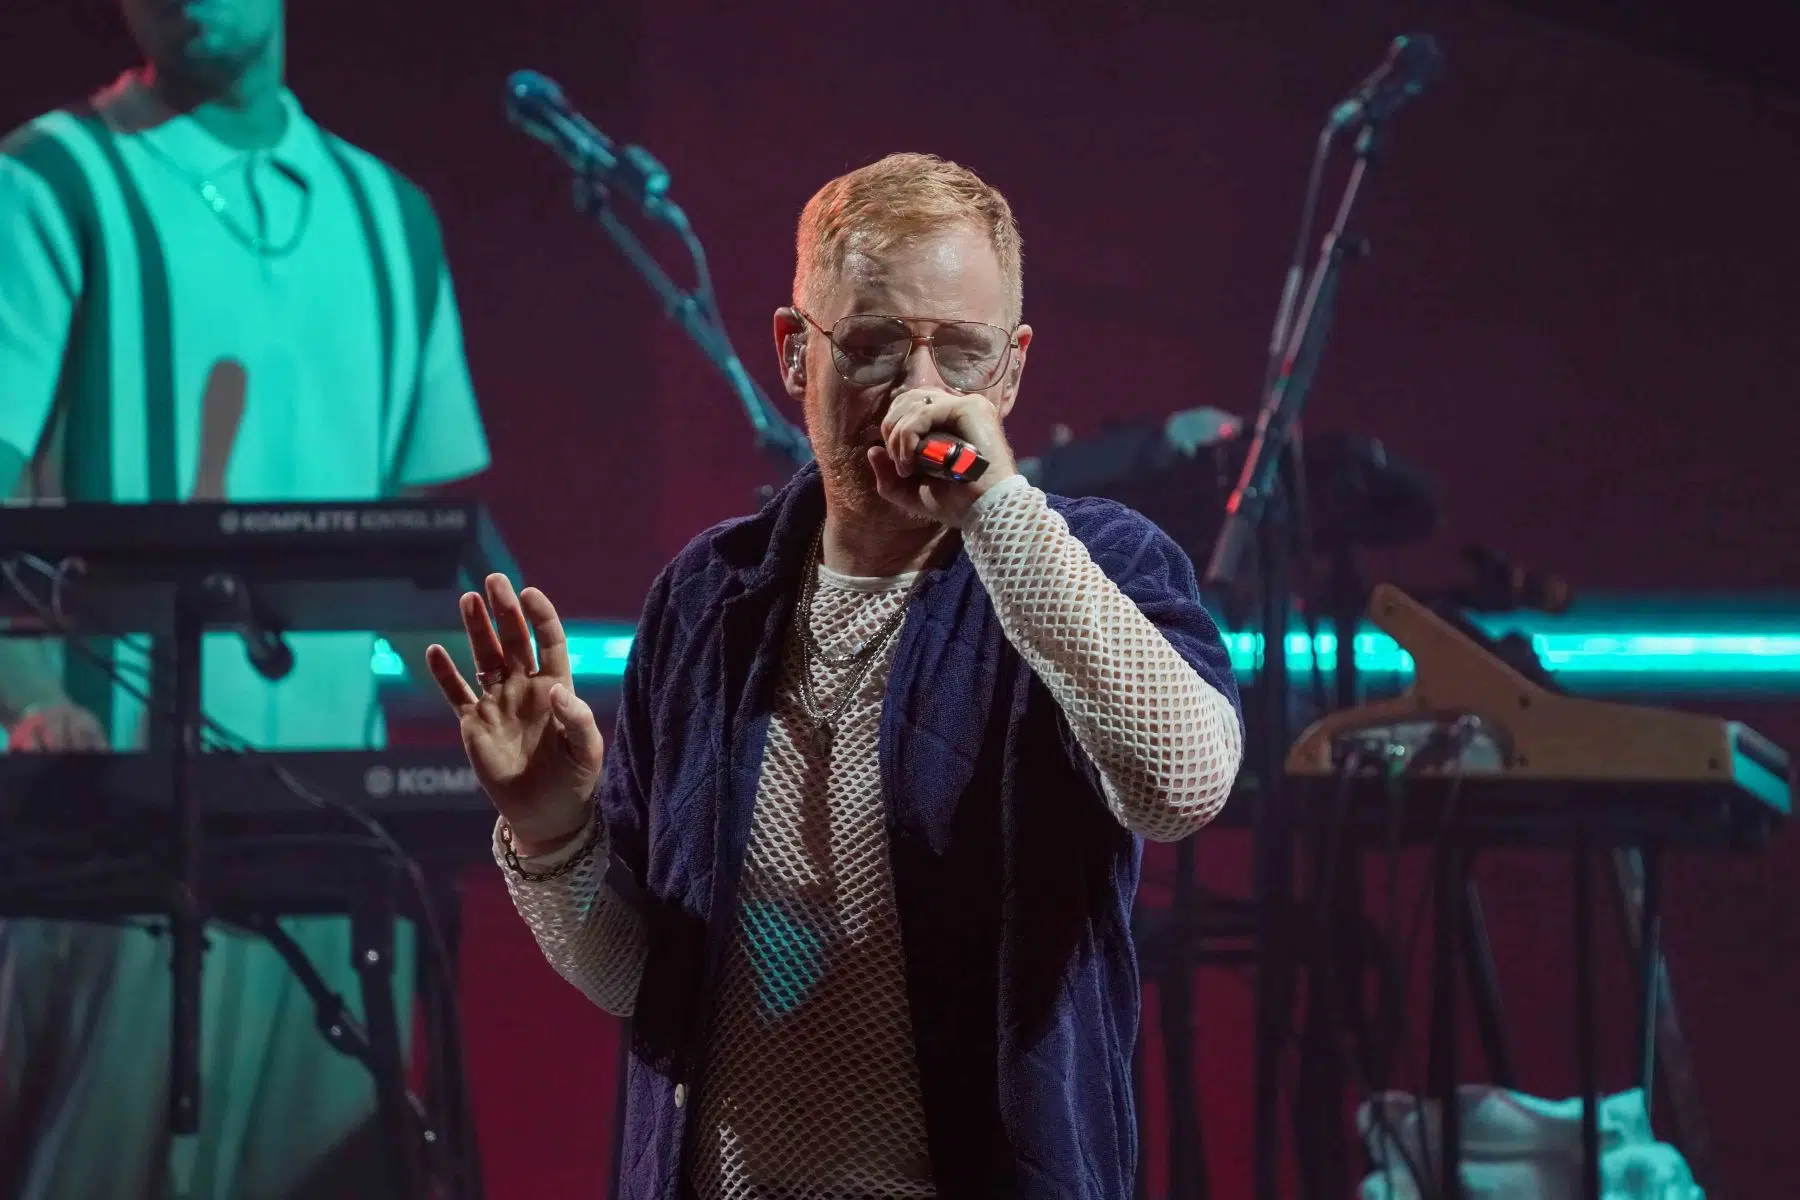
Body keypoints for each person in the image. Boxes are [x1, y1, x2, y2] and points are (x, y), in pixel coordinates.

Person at [431, 152, 1245, 1198]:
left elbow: (1183, 784)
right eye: (871, 346)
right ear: (792, 351)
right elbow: (645, 981)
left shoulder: (1097, 563)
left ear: (1011, 373)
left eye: (962, 353)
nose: (917, 391)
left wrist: (996, 510)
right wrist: (553, 834)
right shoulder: (708, 598)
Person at [0, 0, 489, 1195]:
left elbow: (430, 536)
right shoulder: (48, 185)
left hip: (341, 837)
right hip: (108, 839)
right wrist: (30, 698)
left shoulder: (390, 216)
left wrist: (544, 721)